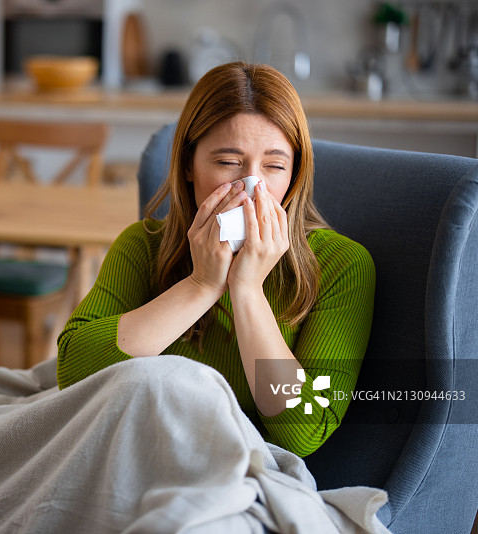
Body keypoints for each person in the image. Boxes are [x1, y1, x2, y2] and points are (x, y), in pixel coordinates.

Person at [56, 62, 376, 458]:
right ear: (189, 165)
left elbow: (304, 430)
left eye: (274, 166)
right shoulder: (142, 245)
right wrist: (202, 285)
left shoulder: (342, 264)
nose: (251, 187)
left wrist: (247, 291)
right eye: (228, 163)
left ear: (294, 175)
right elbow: (71, 374)